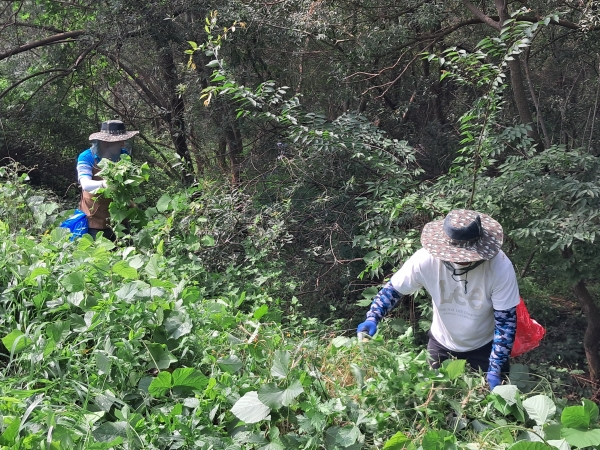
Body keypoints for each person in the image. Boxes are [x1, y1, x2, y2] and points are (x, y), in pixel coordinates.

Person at [357, 209, 520, 390]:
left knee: (491, 408)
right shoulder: (425, 260)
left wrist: (495, 369)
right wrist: (373, 316)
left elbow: (506, 323)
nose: (462, 261)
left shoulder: (499, 267)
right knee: (436, 401)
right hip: (442, 343)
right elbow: (393, 290)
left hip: (484, 347)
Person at [77, 120, 139, 240]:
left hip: (120, 215)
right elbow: (85, 184)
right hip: (95, 217)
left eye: (123, 140)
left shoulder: (123, 154)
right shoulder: (86, 157)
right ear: (106, 143)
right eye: (119, 141)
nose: (122, 144)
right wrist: (104, 184)